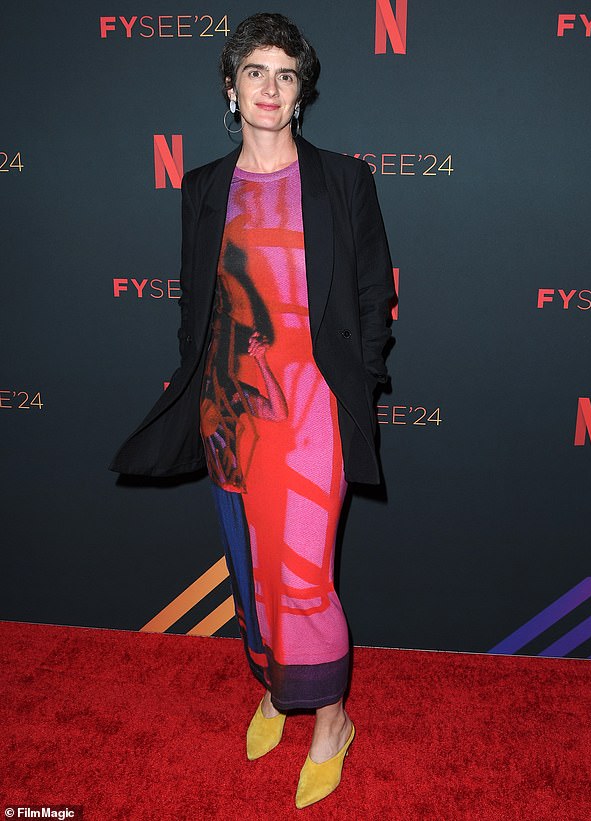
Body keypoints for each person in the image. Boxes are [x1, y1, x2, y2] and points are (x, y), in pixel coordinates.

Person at [109, 12, 395, 810]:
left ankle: (331, 718)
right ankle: (278, 687)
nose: (270, 88)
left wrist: (356, 390)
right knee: (256, 574)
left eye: (286, 74)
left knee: (303, 580)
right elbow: (195, 300)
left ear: (302, 93)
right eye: (254, 73)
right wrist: (198, 389)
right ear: (229, 90)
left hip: (310, 417)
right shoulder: (204, 187)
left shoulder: (343, 181)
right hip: (229, 415)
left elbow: (375, 297)